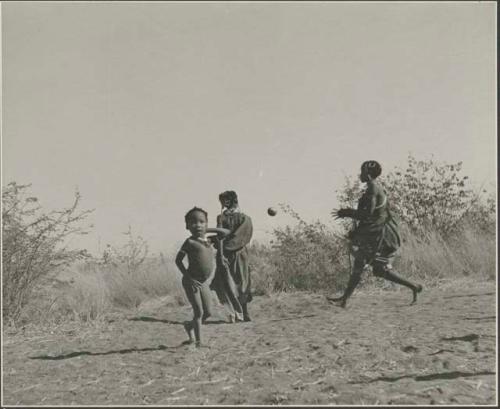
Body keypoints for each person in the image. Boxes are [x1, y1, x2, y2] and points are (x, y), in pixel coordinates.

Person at [329, 160, 423, 308]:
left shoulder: (373, 188)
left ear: (367, 174)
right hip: (376, 233)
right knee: (379, 271)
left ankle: (344, 300)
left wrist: (347, 212)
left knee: (360, 264)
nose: (359, 175)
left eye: (361, 172)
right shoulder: (374, 188)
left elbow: (367, 214)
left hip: (378, 236)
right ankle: (414, 286)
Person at [175, 207, 221, 347]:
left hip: (203, 282)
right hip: (191, 282)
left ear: (207, 224)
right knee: (199, 312)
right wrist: (188, 277)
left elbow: (226, 232)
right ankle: (199, 342)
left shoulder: (208, 241)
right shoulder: (190, 242)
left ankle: (189, 326)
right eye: (193, 222)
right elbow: (178, 260)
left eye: (202, 222)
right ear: (187, 226)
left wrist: (207, 230)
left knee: (208, 312)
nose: (198, 225)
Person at [211, 190, 254, 322]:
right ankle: (233, 314)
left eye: (226, 200)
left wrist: (223, 244)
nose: (224, 203)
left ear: (233, 200)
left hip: (239, 255)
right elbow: (220, 236)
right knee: (226, 284)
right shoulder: (220, 218)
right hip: (224, 255)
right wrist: (215, 241)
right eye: (222, 201)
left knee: (242, 283)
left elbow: (241, 237)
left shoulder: (244, 218)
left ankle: (244, 313)